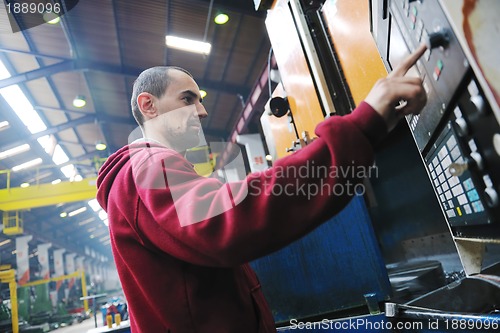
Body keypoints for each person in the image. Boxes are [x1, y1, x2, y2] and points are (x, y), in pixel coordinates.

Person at [96, 44, 428, 332]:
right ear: (148, 105)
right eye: (188, 99)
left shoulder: (146, 172)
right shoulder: (148, 166)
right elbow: (230, 220)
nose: (203, 110)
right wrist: (362, 125)